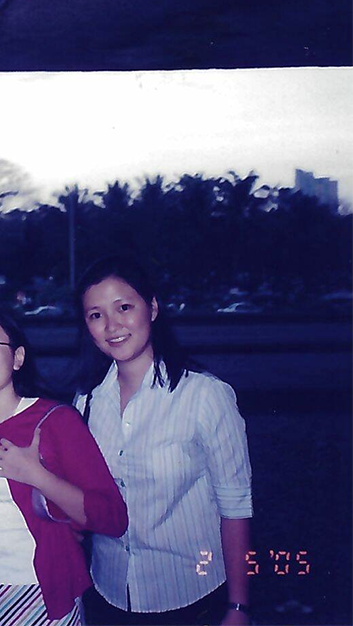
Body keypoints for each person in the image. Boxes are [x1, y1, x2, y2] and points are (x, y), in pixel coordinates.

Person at [72, 256, 252, 626]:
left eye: (124, 307)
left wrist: (238, 607)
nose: (112, 325)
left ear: (152, 308)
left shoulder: (205, 396)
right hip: (109, 592)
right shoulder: (86, 401)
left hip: (192, 593)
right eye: (96, 315)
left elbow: (235, 508)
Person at [0, 307, 127, 626]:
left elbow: (111, 517)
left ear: (17, 358)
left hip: (41, 594)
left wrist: (36, 476)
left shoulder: (56, 421)